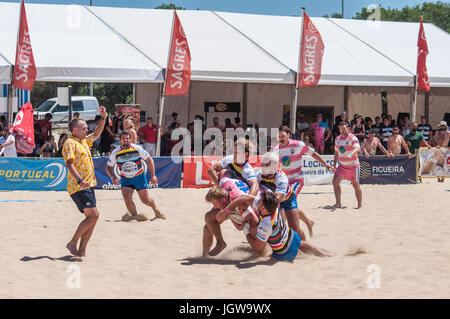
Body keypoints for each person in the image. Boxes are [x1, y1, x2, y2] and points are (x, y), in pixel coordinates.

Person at [62, 106, 107, 258]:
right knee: (93, 216)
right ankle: (72, 243)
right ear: (75, 130)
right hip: (78, 186)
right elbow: (69, 164)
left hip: (88, 185)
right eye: (84, 128)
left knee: (92, 219)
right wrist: (80, 180)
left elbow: (97, 133)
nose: (87, 130)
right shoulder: (70, 143)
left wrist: (104, 118)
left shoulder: (83, 141)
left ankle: (82, 251)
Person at [234, 191, 330, 261]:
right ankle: (326, 255)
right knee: (301, 244)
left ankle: (323, 255)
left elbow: (256, 247)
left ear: (263, 208)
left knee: (261, 253)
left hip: (284, 253)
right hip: (292, 237)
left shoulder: (266, 225)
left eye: (260, 203)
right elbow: (245, 198)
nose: (258, 202)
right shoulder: (274, 206)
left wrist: (246, 230)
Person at [106, 131, 165, 222]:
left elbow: (150, 160)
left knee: (145, 200)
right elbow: (108, 167)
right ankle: (135, 216)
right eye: (123, 138)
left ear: (130, 139)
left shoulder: (137, 148)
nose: (125, 140)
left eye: (127, 138)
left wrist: (153, 176)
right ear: (120, 140)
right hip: (126, 179)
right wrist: (112, 177)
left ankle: (156, 210)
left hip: (139, 177)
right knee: (127, 198)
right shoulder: (115, 152)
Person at [203, 177, 255, 258]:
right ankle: (205, 256)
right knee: (208, 222)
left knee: (251, 232)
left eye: (215, 204)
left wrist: (239, 225)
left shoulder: (239, 201)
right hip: (233, 204)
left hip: (253, 211)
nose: (214, 206)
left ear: (223, 200)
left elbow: (248, 218)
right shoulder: (222, 183)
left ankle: (261, 252)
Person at [274, 126, 334, 195]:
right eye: (279, 137)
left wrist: (325, 164)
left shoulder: (298, 145)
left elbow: (312, 154)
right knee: (283, 201)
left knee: (290, 197)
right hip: (284, 180)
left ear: (288, 135)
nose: (281, 139)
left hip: (297, 179)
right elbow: (275, 165)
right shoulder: (276, 149)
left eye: (283, 136)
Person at [332, 121, 362, 209]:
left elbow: (357, 148)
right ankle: (338, 203)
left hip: (353, 166)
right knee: (335, 182)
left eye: (344, 128)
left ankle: (359, 205)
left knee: (356, 185)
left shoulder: (352, 137)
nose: (342, 130)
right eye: (341, 128)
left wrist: (351, 154)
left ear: (348, 129)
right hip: (342, 166)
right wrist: (334, 164)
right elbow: (336, 152)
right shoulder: (337, 139)